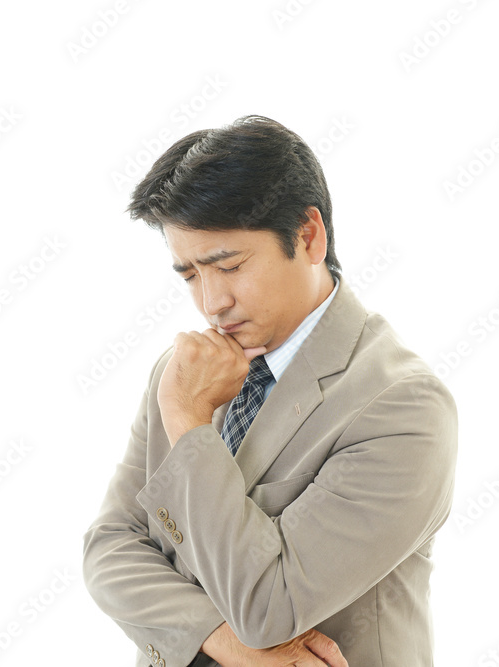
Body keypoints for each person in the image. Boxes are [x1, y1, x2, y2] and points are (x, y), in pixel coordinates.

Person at [83, 115, 458, 667]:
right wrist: (222, 641)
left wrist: (188, 422)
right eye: (189, 276)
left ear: (308, 236)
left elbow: (268, 609)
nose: (212, 303)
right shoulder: (185, 372)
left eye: (229, 266)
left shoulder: (403, 406)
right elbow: (110, 547)